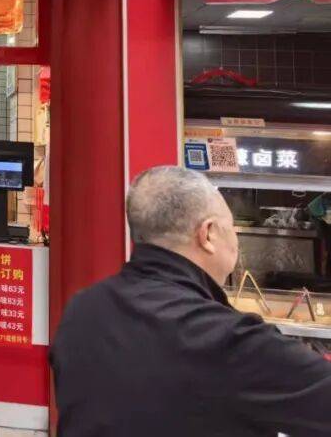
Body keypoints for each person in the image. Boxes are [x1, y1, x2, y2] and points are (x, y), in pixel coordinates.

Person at [51, 165, 331, 437]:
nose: (235, 239)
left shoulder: (82, 310)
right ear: (207, 234)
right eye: (231, 227)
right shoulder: (230, 340)